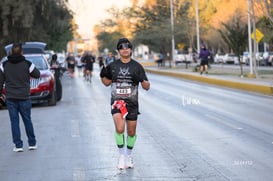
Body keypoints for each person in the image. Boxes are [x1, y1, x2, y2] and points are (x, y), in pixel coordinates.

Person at [100, 38, 150, 170]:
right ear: (118, 51)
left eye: (127, 47)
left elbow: (147, 86)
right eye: (122, 47)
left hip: (132, 103)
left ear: (131, 49)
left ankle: (128, 155)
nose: (125, 49)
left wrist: (141, 80)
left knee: (132, 132)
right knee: (120, 128)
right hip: (117, 102)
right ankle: (121, 156)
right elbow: (106, 83)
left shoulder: (137, 66)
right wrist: (102, 75)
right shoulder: (113, 66)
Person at [0, 42, 40, 152]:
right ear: (22, 52)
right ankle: (32, 143)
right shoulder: (27, 64)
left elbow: (0, 81)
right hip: (24, 97)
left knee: (14, 122)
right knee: (27, 120)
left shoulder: (4, 65)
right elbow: (37, 74)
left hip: (11, 97)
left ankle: (18, 145)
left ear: (11, 52)